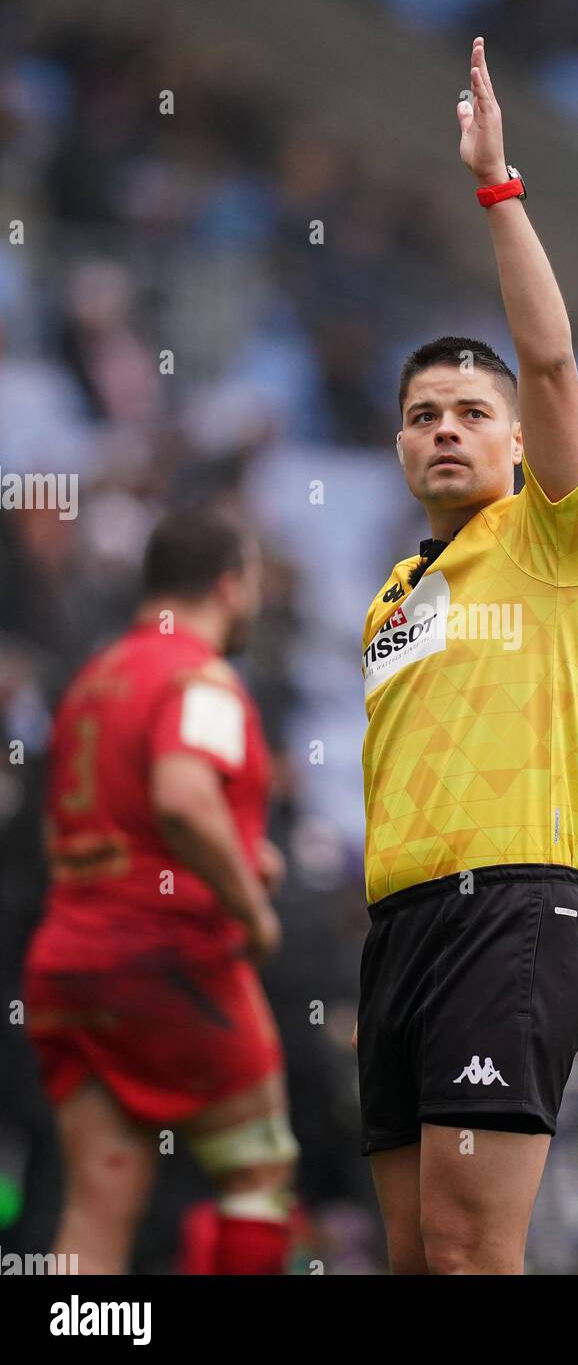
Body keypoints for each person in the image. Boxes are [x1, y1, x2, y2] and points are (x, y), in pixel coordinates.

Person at [353, 35, 578, 1275]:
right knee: (412, 1257)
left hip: (507, 909)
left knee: (469, 1251)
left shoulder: (555, 535)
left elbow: (553, 357)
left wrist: (497, 188)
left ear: (515, 442)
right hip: (397, 930)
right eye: (422, 417)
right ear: (399, 448)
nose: (444, 429)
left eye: (470, 414)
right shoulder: (395, 594)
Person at [23, 508, 299, 1274]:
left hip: (69, 961)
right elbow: (181, 797)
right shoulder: (199, 676)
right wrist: (252, 905)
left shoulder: (92, 680)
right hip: (168, 959)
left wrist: (243, 854)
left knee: (97, 1203)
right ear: (230, 586)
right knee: (258, 1171)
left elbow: (75, 831)